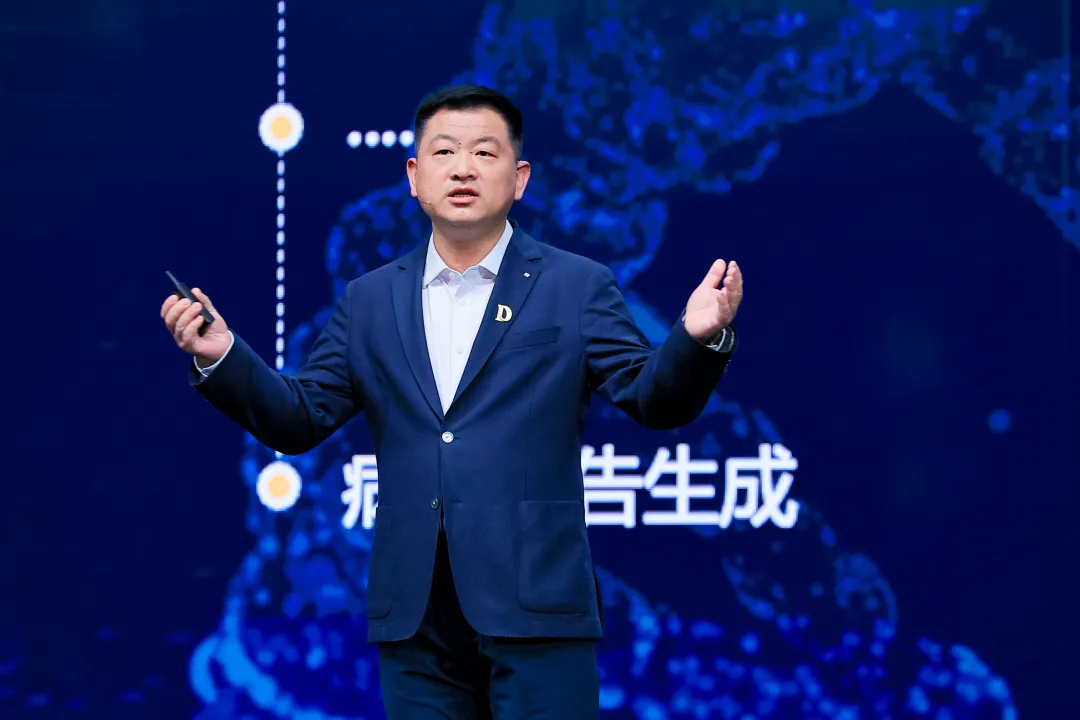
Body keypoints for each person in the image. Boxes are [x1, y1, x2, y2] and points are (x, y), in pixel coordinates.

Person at [161, 84, 743, 719]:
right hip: (416, 617)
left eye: (484, 153)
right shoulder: (369, 300)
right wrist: (221, 355)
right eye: (444, 152)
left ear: (520, 178)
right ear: (415, 177)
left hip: (538, 607)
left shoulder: (576, 285)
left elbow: (653, 399)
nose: (463, 168)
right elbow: (298, 419)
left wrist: (695, 339)